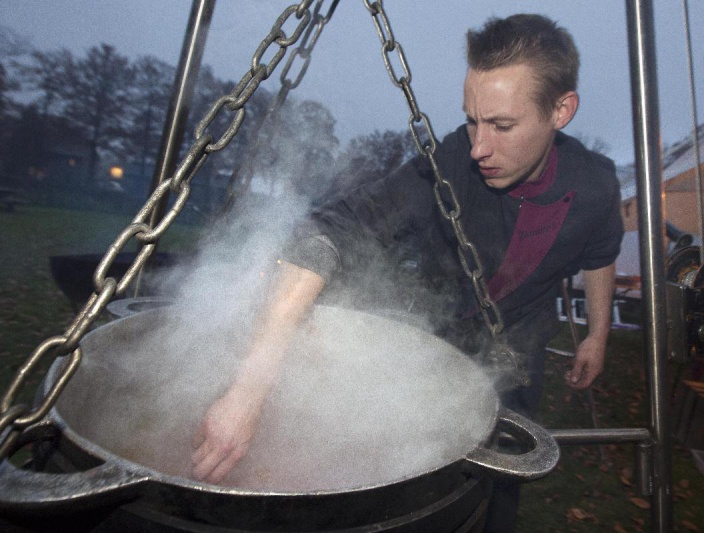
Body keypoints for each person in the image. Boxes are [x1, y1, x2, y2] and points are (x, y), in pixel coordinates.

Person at [190, 13, 623, 532]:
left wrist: (597, 335)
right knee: (407, 472)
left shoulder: (595, 185)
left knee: (497, 487)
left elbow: (599, 254)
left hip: (517, 350)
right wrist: (247, 393)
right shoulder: (454, 158)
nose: (479, 146)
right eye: (471, 119)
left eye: (502, 126)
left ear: (561, 110)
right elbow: (338, 227)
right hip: (434, 337)